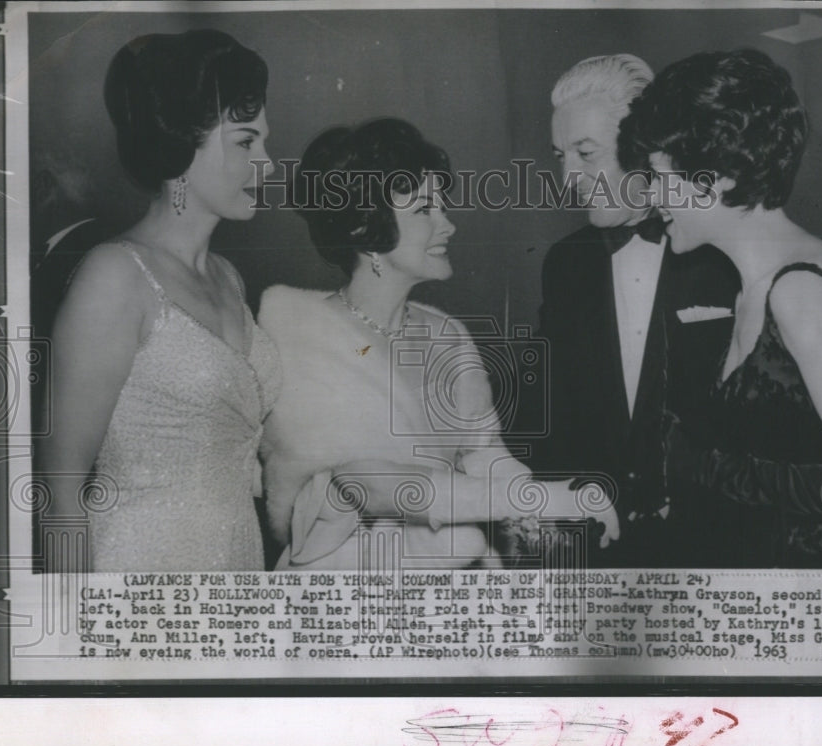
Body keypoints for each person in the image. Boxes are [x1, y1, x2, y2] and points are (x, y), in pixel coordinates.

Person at [259, 118, 618, 571]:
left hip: (451, 577)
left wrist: (539, 514)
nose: (447, 225)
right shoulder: (303, 331)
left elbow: (484, 453)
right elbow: (368, 483)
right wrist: (545, 497)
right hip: (347, 587)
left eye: (442, 206)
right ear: (364, 231)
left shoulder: (445, 335)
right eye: (424, 210)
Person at [619, 48, 822, 568]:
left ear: (719, 177)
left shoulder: (802, 292)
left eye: (660, 175)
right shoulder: (755, 287)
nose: (651, 196)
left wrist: (708, 467)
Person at [39, 30, 280, 572]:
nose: (267, 164)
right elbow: (60, 489)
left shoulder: (229, 278)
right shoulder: (116, 274)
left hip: (235, 566)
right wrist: (73, 639)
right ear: (181, 150)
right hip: (137, 575)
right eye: (246, 142)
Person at [521, 55, 740, 568]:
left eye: (585, 153)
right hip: (601, 552)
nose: (567, 176)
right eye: (560, 154)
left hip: (717, 551)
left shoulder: (721, 254)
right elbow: (551, 418)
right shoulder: (565, 264)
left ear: (646, 148)